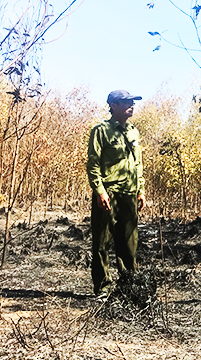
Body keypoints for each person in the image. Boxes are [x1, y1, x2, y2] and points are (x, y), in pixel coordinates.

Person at [86, 89, 146, 296]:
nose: (132, 105)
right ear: (113, 105)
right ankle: (103, 288)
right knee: (102, 242)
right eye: (126, 102)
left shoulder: (134, 132)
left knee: (130, 243)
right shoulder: (100, 130)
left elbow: (138, 164)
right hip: (108, 193)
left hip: (129, 194)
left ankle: (129, 286)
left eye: (132, 101)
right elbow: (93, 164)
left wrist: (141, 190)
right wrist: (100, 191)